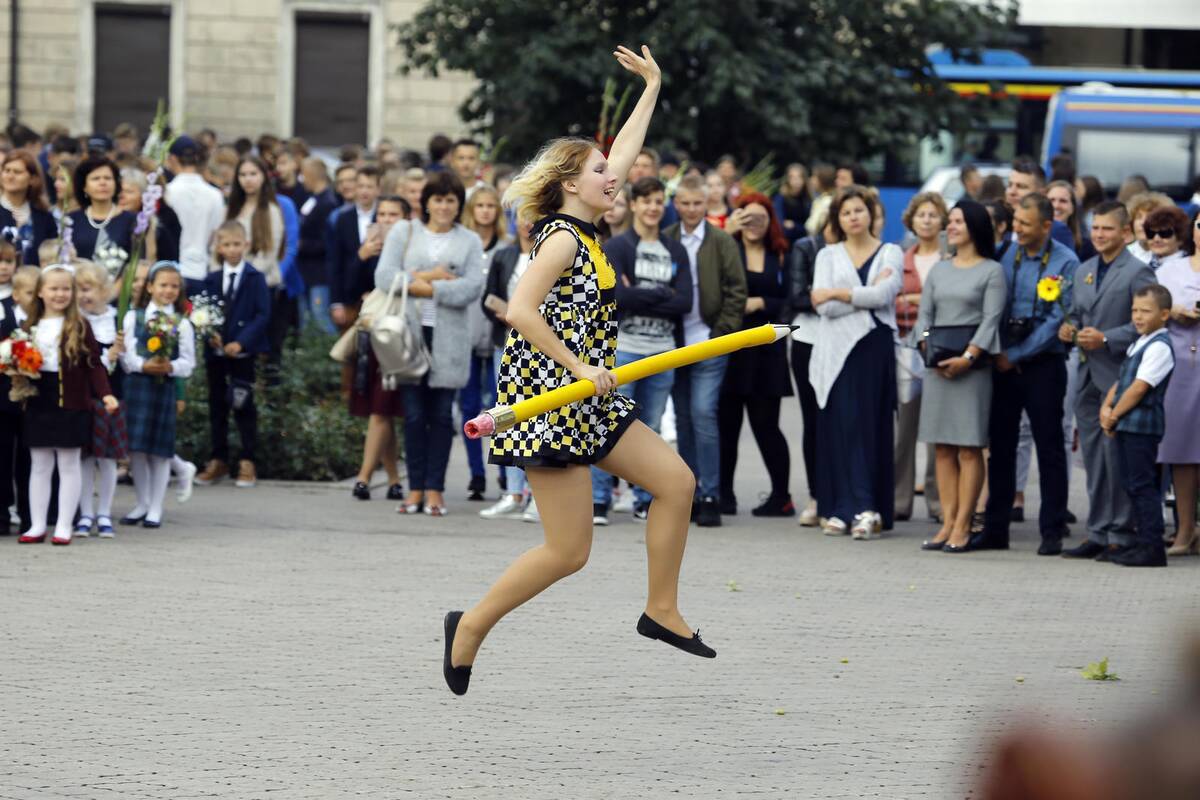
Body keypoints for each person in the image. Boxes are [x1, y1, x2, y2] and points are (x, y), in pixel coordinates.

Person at [444, 46, 716, 699]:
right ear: (571, 183)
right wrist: (581, 367)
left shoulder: (589, 229)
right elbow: (520, 311)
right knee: (568, 552)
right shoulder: (563, 237)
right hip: (549, 397)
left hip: (590, 394)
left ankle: (661, 609)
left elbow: (623, 151)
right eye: (599, 172)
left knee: (676, 483)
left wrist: (652, 86)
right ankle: (469, 625)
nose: (614, 176)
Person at [972, 194, 1079, 555]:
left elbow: (1057, 320)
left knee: (1049, 447)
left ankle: (1052, 529)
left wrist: (1016, 354)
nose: (1017, 229)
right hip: (1002, 362)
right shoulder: (1005, 253)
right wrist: (999, 352)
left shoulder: (1065, 262)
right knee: (1000, 447)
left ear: (1047, 226)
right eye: (1015, 221)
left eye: (1025, 224)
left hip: (1043, 364)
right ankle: (995, 529)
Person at [374, 170, 483, 518]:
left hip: (448, 339)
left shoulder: (469, 241)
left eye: (450, 200)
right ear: (426, 202)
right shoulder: (404, 232)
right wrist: (431, 278)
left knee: (440, 416)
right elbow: (384, 276)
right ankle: (415, 489)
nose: (444, 207)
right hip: (407, 336)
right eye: (438, 199)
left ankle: (435, 489)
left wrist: (430, 288)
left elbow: (472, 287)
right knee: (413, 415)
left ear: (459, 204)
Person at [1058, 201, 1157, 561]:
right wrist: (1068, 328)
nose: (1099, 235)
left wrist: (1106, 338)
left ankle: (1121, 533)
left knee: (1116, 459)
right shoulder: (1084, 269)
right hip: (1087, 375)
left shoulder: (1138, 272)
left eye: (1107, 228)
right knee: (1093, 458)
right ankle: (1098, 531)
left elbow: (1147, 322)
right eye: (1096, 228)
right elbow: (1075, 313)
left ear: (1126, 232)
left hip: (1120, 374)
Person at [590, 175, 692, 524]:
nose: (652, 207)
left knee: (651, 427)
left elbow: (685, 302)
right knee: (607, 424)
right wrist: (661, 293)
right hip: (625, 349)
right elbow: (617, 296)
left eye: (658, 201)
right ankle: (599, 499)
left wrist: (640, 294)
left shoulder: (675, 250)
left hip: (664, 351)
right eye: (646, 201)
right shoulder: (618, 247)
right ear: (633, 205)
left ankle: (644, 497)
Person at [913, 201, 1007, 551]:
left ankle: (964, 525)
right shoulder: (939, 269)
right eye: (949, 221)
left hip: (972, 369)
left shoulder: (992, 271)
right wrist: (926, 347)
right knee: (941, 447)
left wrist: (968, 357)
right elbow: (924, 315)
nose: (949, 227)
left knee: (969, 448)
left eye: (957, 221)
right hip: (938, 366)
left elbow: (991, 319)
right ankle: (947, 522)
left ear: (975, 227)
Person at [809, 186, 902, 537]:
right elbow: (824, 308)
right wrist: (860, 295)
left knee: (869, 426)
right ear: (838, 219)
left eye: (859, 210)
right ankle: (840, 507)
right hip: (836, 351)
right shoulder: (827, 255)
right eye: (846, 212)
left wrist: (837, 292)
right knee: (840, 425)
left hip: (874, 348)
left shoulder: (890, 252)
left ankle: (867, 507)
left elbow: (884, 295)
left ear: (871, 213)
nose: (853, 217)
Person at [664, 174, 747, 527]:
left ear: (707, 203)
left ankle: (711, 492)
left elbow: (737, 291)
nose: (691, 209)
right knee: (683, 419)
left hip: (710, 340)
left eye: (697, 203)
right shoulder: (666, 239)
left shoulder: (722, 241)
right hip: (674, 343)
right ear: (676, 204)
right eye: (685, 203)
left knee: (703, 413)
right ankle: (691, 490)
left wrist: (721, 333)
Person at [17, 265, 118, 545]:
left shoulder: (79, 325)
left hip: (72, 402)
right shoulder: (29, 326)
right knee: (39, 464)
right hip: (39, 400)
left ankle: (64, 524)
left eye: (65, 289)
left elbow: (94, 364)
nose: (60, 294)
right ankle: (37, 525)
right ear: (40, 292)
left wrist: (105, 393)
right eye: (53, 288)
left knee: (69, 463)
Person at [718, 191, 793, 517]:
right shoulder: (727, 248)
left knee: (767, 426)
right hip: (732, 347)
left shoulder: (781, 254)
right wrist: (726, 231)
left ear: (770, 221)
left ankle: (781, 496)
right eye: (746, 217)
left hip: (767, 352)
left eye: (760, 218)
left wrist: (761, 303)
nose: (753, 224)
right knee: (727, 427)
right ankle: (724, 494)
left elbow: (790, 300)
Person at [1099, 284, 1175, 567]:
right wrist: (1106, 407)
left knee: (1143, 485)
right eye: (1134, 311)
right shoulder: (1139, 342)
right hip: (1127, 424)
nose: (1138, 317)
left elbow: (1139, 387)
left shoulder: (1160, 346)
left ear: (1164, 314)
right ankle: (1140, 542)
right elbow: (1122, 382)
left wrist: (1114, 415)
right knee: (1131, 484)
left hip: (1142, 426)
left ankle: (1152, 547)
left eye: (1146, 311)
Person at [194, 222, 271, 489]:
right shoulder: (211, 278)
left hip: (242, 354)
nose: (232, 249)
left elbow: (262, 314)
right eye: (227, 244)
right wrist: (210, 334)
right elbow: (202, 311)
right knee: (217, 405)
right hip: (216, 353)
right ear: (218, 247)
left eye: (237, 244)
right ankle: (219, 459)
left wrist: (241, 342)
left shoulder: (255, 277)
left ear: (246, 245)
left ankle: (248, 459)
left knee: (243, 403)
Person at [119, 261, 195, 528]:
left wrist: (170, 367)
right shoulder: (134, 317)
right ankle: (142, 503)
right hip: (137, 386)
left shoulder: (182, 324)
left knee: (160, 452)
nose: (169, 290)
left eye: (174, 286)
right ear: (150, 286)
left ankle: (155, 507)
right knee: (137, 450)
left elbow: (188, 362)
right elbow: (126, 356)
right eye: (163, 285)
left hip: (164, 388)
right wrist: (143, 365)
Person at [348, 196, 410, 502]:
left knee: (381, 409)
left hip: (398, 336)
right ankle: (395, 480)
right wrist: (360, 258)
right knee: (379, 410)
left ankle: (364, 476)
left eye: (393, 214)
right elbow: (347, 290)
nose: (386, 220)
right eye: (381, 214)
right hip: (371, 333)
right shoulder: (370, 249)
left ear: (406, 219)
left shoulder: (411, 248)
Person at [478, 218, 539, 522]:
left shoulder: (553, 251)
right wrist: (504, 314)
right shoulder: (504, 255)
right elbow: (486, 299)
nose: (528, 222)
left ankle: (538, 495)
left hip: (542, 346)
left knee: (539, 417)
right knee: (506, 414)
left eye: (533, 214)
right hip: (506, 343)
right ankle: (513, 492)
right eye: (522, 215)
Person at [894, 192, 948, 523]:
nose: (927, 220)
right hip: (905, 350)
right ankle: (899, 500)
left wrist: (915, 298)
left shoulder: (950, 259)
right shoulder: (899, 259)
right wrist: (923, 298)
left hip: (941, 351)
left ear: (943, 221)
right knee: (904, 432)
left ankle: (937, 501)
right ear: (911, 221)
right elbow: (893, 299)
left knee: (937, 433)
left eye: (933, 214)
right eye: (921, 215)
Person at [459, 183, 509, 500]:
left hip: (496, 336)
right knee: (468, 406)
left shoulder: (506, 247)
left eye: (491, 206)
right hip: (465, 334)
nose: (485, 211)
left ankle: (504, 473)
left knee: (499, 406)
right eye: (480, 206)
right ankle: (476, 474)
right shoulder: (462, 244)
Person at [1154, 216, 1200, 557]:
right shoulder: (1171, 269)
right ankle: (1184, 529)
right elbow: (1150, 309)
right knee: (1182, 450)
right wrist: (1173, 312)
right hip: (1181, 366)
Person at [74, 261, 127, 538]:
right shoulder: (75, 322)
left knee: (107, 459)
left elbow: (127, 364)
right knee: (83, 459)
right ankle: (85, 513)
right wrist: (108, 356)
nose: (84, 295)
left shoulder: (117, 320)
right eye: (79, 289)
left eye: (89, 289)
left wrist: (121, 353)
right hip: (84, 397)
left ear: (104, 290)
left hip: (110, 398)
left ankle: (104, 512)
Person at [329, 165, 380, 328]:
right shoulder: (343, 218)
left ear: (378, 189)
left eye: (369, 186)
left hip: (378, 296)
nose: (364, 191)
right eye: (361, 186)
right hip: (350, 296)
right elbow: (336, 262)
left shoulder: (384, 216)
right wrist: (337, 302)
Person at [295, 157, 338, 334]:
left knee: (320, 317)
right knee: (306, 318)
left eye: (303, 174)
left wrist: (301, 245)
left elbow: (327, 242)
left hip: (319, 272)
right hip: (305, 270)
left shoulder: (328, 203)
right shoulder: (312, 199)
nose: (301, 179)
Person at [67, 155, 138, 260]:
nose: (102, 183)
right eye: (95, 179)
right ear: (84, 187)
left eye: (108, 178)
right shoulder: (70, 220)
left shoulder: (132, 220)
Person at [1, 150, 57, 266]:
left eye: (17, 172)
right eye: (6, 170)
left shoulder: (44, 216)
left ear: (32, 178)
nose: (10, 176)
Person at [1047, 179, 1095, 261]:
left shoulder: (1086, 247)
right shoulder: (1032, 242)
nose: (1056, 206)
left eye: (1063, 201)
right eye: (1051, 200)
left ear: (1073, 208)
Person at [1124, 192, 1173, 265]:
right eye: (1139, 217)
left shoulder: (1174, 255)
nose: (1143, 222)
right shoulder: (1123, 254)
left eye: (1149, 217)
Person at [1142, 205, 1190, 272]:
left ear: (1180, 237)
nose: (1156, 239)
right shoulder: (1141, 264)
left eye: (1164, 233)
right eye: (1150, 233)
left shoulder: (1192, 267)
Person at [774, 163, 811, 244]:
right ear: (788, 180)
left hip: (803, 242)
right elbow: (780, 224)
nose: (796, 181)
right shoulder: (781, 198)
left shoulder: (807, 200)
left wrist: (795, 225)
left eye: (799, 177)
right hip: (785, 241)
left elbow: (809, 228)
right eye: (792, 177)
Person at [804, 164, 836, 237]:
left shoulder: (826, 201)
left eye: (814, 177)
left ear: (823, 180)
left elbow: (811, 227)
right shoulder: (821, 198)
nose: (811, 180)